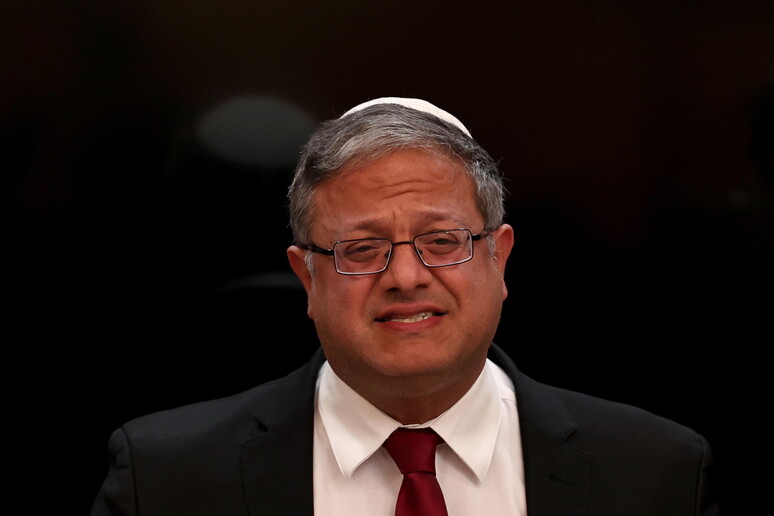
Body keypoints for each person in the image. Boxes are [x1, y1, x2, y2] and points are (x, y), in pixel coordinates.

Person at [91, 97, 719, 516]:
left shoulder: (654, 472)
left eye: (442, 241)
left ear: (499, 258)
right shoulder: (166, 479)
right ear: (307, 278)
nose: (406, 277)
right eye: (362, 249)